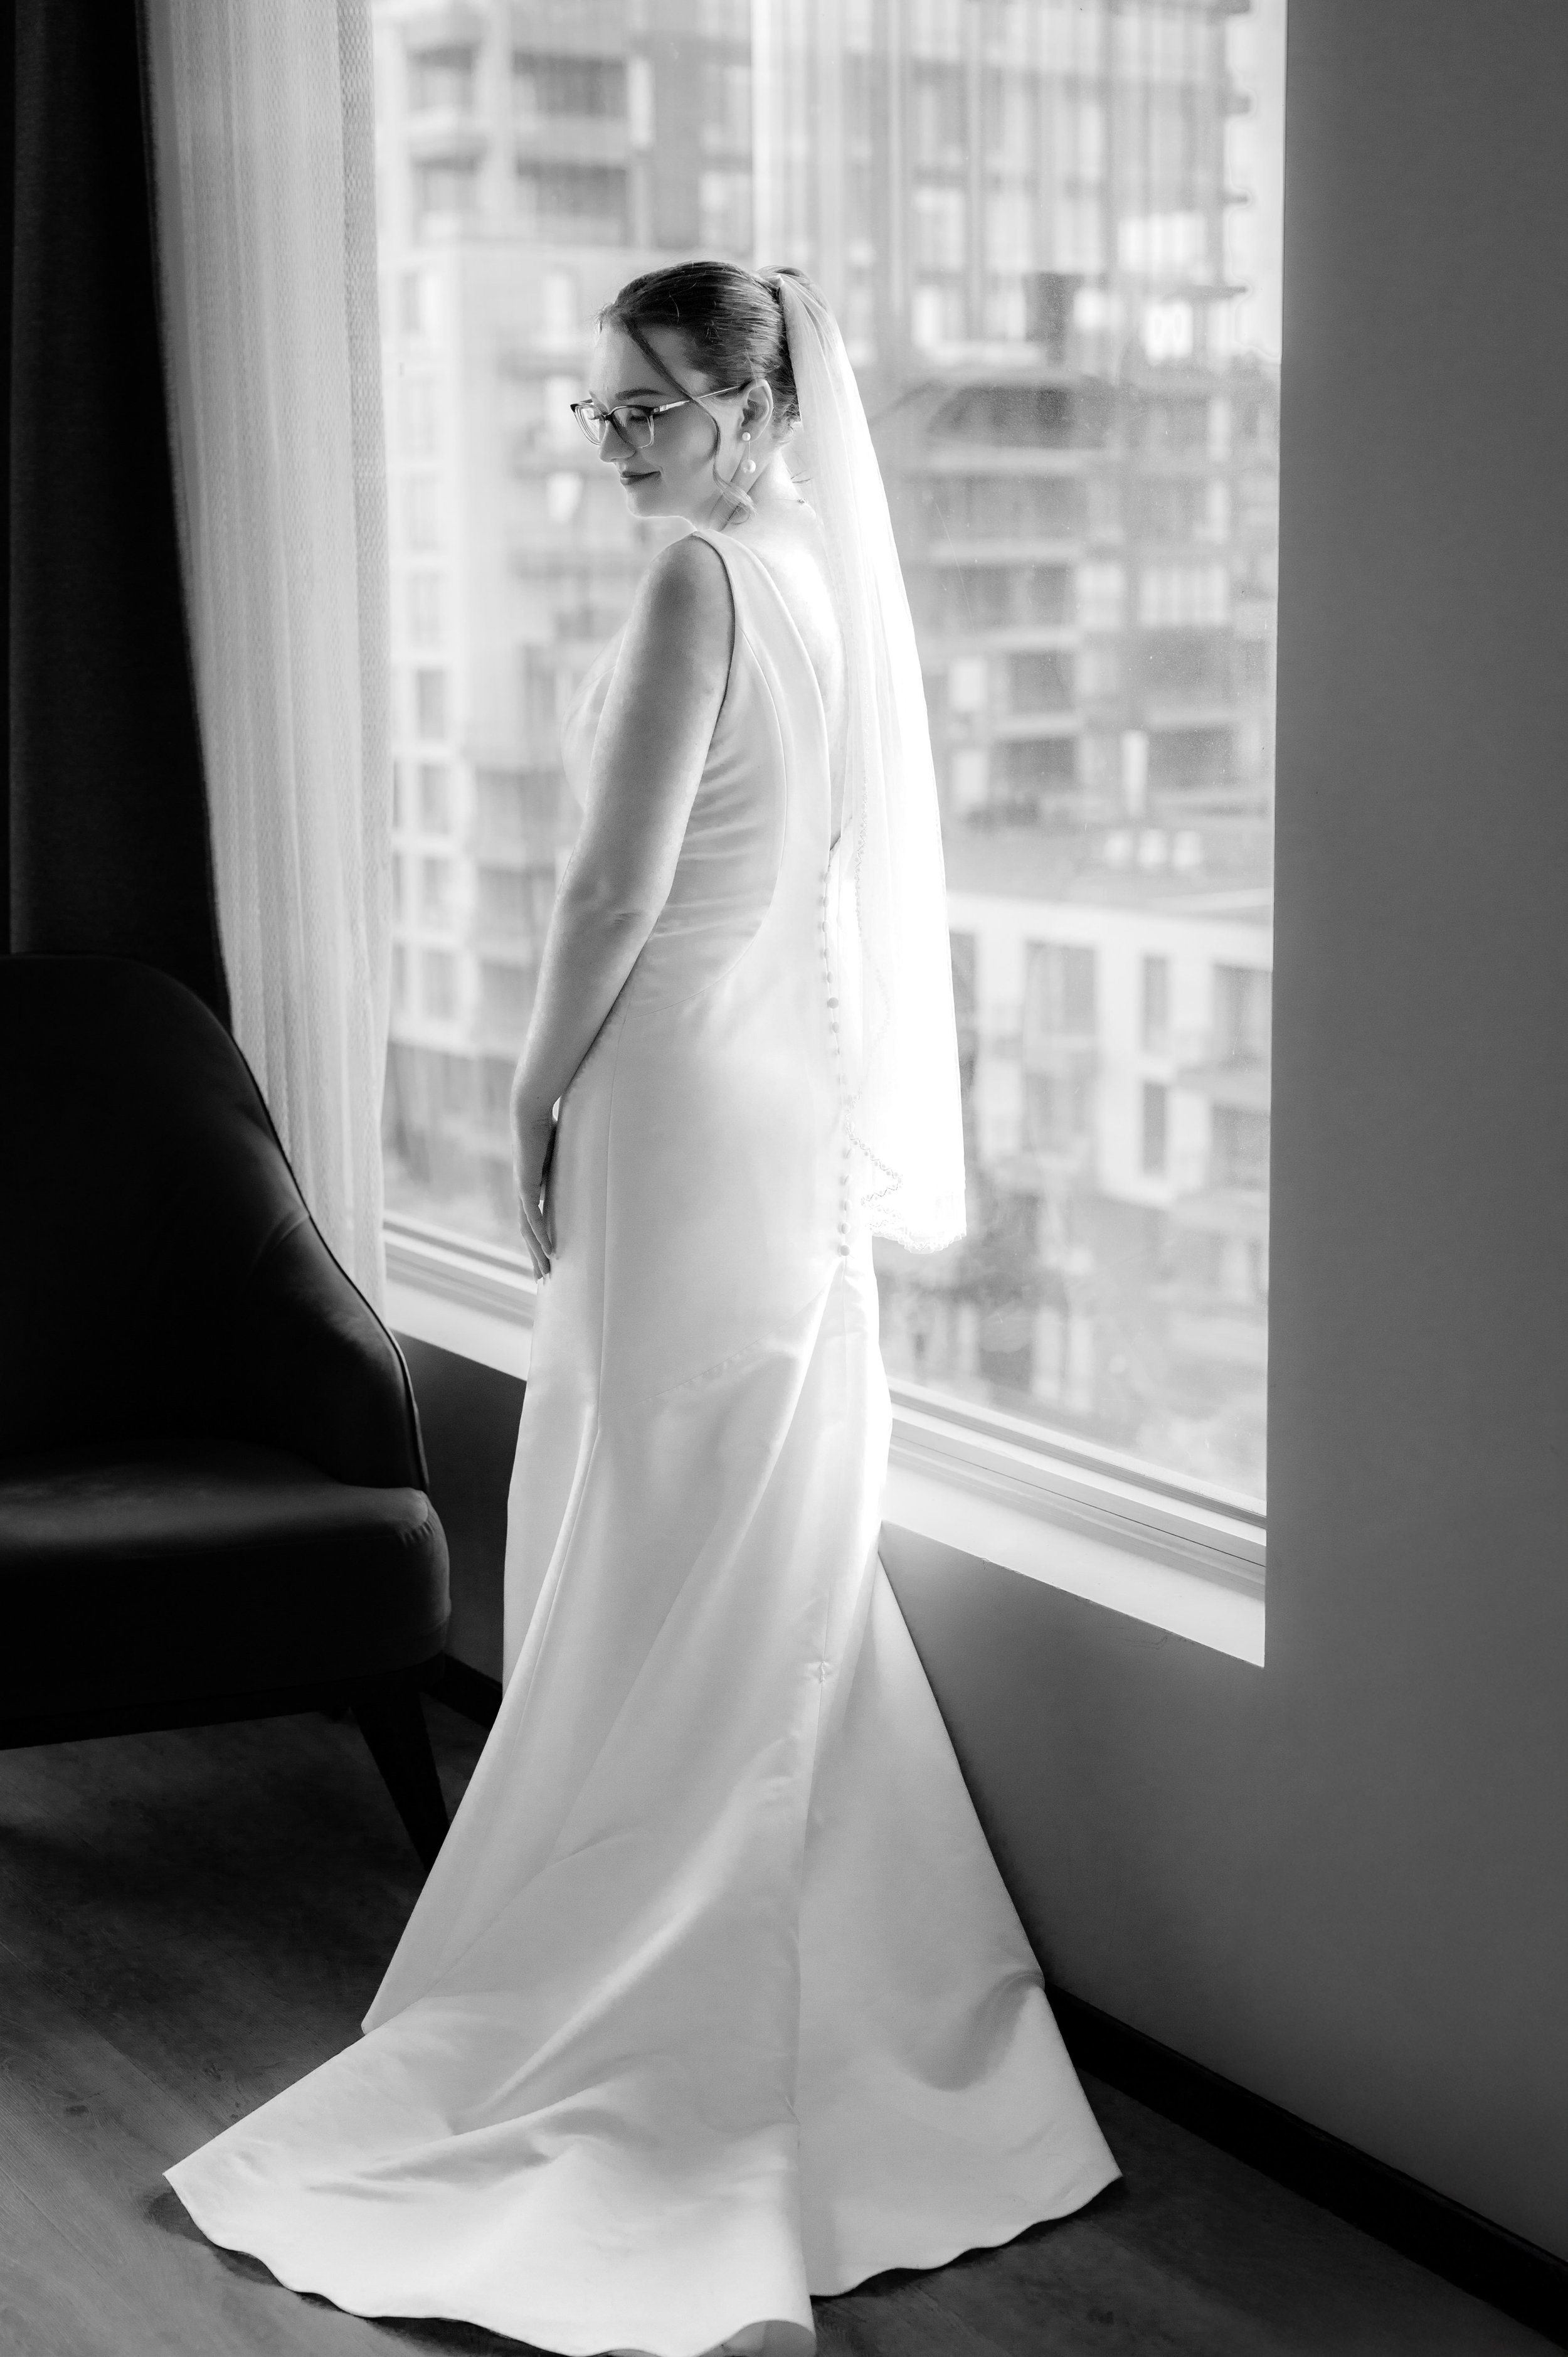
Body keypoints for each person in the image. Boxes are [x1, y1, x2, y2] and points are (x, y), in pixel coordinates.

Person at [166, 262, 1117, 2356]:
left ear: (759, 411)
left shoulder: (702, 584)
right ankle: (813, 1969)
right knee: (742, 1530)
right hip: (781, 1091)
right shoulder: (812, 578)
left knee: (671, 1518)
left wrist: (529, 1087)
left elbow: (610, 886)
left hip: (680, 1091)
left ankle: (656, 1975)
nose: (616, 451)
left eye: (654, 416)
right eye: (595, 414)